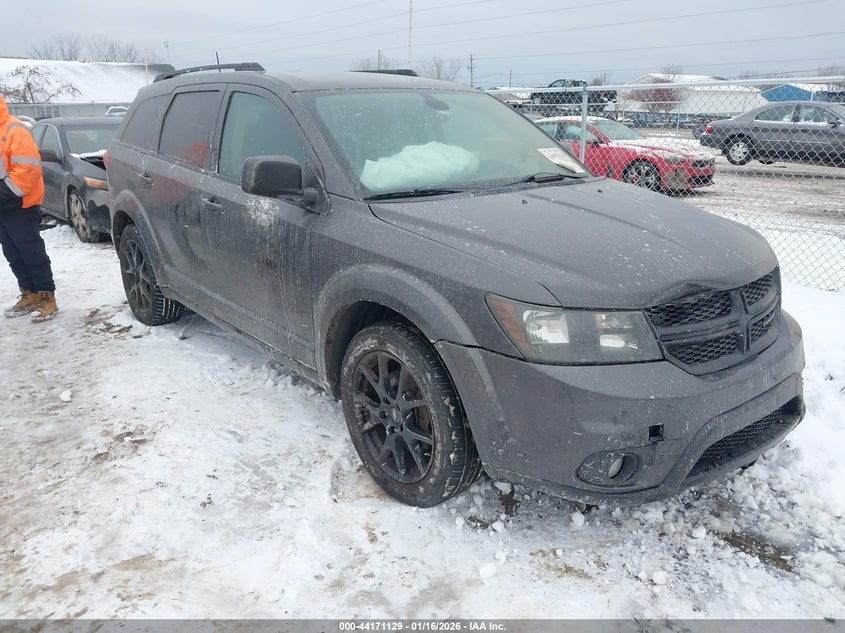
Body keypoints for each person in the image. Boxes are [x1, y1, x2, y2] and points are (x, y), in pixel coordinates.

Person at [0, 94, 58, 322]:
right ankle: (29, 293)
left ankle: (47, 297)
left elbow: (28, 170)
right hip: (3, 206)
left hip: (20, 204)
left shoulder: (14, 130)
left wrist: (4, 194)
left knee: (31, 251)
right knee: (12, 252)